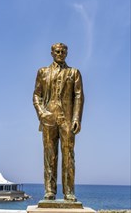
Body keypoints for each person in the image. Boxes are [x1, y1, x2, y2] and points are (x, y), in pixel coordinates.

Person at [33, 43, 84, 201]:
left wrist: (76, 118)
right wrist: (42, 113)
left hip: (67, 119)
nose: (60, 53)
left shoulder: (74, 72)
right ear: (52, 53)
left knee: (69, 155)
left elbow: (79, 96)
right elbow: (36, 95)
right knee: (50, 156)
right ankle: (50, 191)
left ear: (67, 53)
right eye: (57, 51)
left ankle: (69, 191)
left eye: (63, 51)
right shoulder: (43, 72)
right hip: (48, 119)